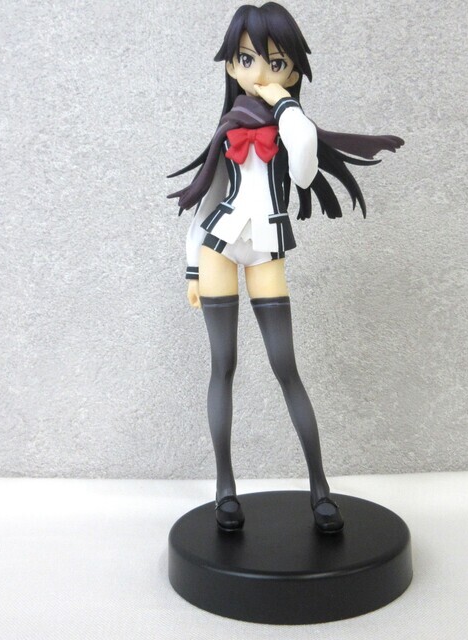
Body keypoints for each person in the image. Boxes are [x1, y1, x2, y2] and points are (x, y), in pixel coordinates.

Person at [168, 2, 404, 533]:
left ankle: (319, 487)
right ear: (231, 65)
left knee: (285, 367)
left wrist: (286, 105)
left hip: (266, 249)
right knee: (223, 365)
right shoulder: (229, 126)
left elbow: (302, 171)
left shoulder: (291, 126)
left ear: (293, 70)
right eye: (247, 59)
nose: (259, 72)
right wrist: (190, 267)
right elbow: (207, 200)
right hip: (217, 248)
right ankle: (225, 488)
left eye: (276, 63)